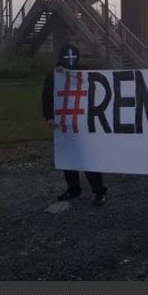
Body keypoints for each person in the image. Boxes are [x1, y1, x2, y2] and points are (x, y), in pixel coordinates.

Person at [42, 43, 107, 206]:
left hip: (83, 122)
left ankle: (99, 191)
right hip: (64, 122)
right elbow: (47, 97)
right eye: (66, 56)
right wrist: (49, 116)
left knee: (88, 157)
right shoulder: (53, 75)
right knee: (68, 157)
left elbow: (96, 87)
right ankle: (73, 188)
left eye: (73, 56)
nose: (70, 59)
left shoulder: (84, 72)